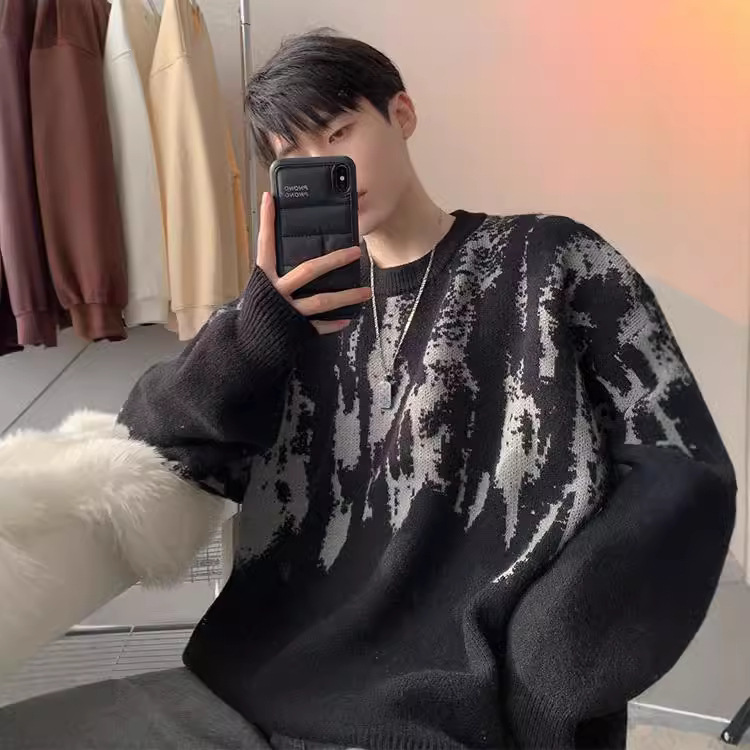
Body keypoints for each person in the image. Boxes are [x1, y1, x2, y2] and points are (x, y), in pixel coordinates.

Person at [0, 30, 736, 750]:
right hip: (248, 682)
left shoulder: (548, 261)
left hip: (461, 708)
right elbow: (151, 437)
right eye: (292, 156)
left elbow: (681, 471)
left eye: (338, 133)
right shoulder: (283, 315)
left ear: (402, 114)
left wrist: (548, 671)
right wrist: (258, 329)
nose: (324, 166)